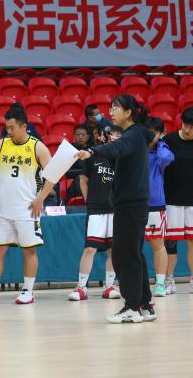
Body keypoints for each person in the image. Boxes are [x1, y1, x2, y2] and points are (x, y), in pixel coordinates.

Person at [76, 94, 155, 324]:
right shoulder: (137, 134)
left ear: (128, 112)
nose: (111, 112)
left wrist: (93, 151)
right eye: (110, 108)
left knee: (124, 255)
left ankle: (132, 307)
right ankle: (144, 305)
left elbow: (118, 147)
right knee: (134, 253)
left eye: (115, 108)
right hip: (133, 202)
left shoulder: (133, 135)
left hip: (130, 203)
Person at [0, 103, 52, 305]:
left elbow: (53, 176)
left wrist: (40, 199)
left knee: (29, 250)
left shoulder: (38, 147)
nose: (8, 131)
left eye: (12, 128)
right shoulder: (1, 144)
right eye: (7, 128)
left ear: (23, 126)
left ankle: (28, 291)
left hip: (27, 210)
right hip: (3, 210)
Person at [66, 126, 123, 301]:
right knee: (90, 248)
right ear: (106, 136)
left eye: (119, 135)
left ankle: (109, 286)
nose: (116, 137)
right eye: (113, 134)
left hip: (116, 208)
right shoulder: (94, 154)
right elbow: (83, 180)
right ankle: (81, 287)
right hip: (96, 208)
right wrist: (88, 200)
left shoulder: (123, 157)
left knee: (113, 250)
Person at [162, 106, 193, 295]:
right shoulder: (169, 141)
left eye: (192, 127)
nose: (188, 130)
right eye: (186, 125)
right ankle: (168, 280)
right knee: (171, 242)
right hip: (171, 199)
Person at [144, 117, 175, 298]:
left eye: (153, 133)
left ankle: (160, 284)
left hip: (155, 205)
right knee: (132, 246)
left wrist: (161, 141)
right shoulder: (136, 151)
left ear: (161, 134)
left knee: (158, 246)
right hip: (135, 204)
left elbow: (166, 158)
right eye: (147, 133)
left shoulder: (162, 153)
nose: (150, 137)